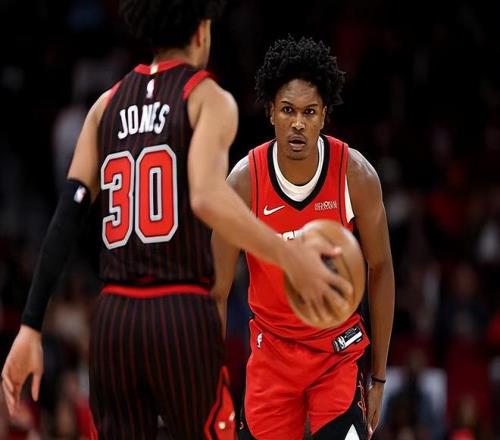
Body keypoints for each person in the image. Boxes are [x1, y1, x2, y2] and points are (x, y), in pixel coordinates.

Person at [0, 4, 350, 439]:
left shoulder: (104, 107)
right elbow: (206, 197)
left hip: (113, 319)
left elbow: (65, 219)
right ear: (202, 31)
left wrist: (30, 325)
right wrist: (289, 255)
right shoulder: (206, 97)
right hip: (179, 312)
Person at [211, 36, 395, 439]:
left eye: (309, 111)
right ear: (270, 112)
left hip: (336, 352)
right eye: (288, 110)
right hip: (272, 355)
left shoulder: (356, 176)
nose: (298, 123)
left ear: (324, 115)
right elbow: (217, 291)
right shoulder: (243, 184)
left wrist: (379, 376)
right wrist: (213, 385)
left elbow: (381, 267)